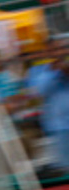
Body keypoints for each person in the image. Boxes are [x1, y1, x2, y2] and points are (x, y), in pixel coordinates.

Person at [26, 41, 69, 175]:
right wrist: (53, 71)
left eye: (61, 49)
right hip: (58, 127)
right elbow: (38, 91)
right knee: (65, 167)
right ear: (47, 53)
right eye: (54, 50)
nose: (58, 53)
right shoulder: (37, 71)